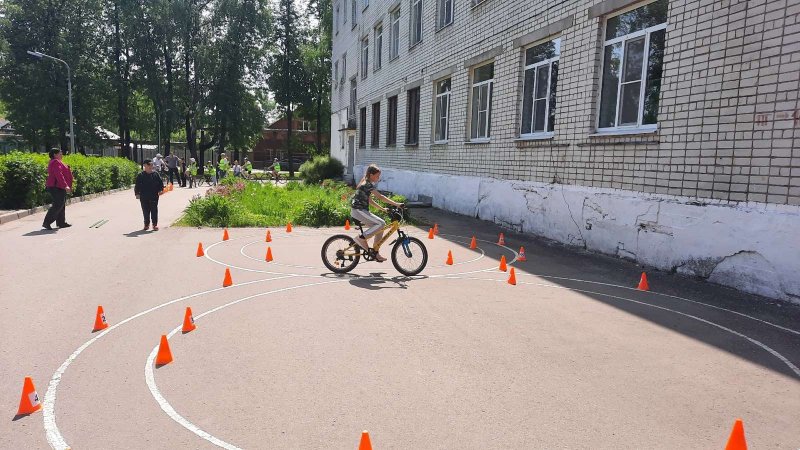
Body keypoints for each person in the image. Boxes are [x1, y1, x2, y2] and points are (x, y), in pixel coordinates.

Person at [350, 164, 403, 262]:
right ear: (371, 175)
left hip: (361, 211)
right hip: (358, 210)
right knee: (381, 223)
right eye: (377, 176)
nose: (378, 178)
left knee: (380, 225)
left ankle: (375, 252)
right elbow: (380, 197)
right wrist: (396, 204)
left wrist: (382, 209)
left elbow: (370, 201)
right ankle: (361, 238)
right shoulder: (367, 184)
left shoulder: (366, 183)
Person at [42, 148, 73, 230]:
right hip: (56, 186)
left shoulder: (55, 162)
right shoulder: (55, 162)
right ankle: (47, 222)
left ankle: (61, 222)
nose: (61, 155)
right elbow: (58, 175)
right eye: (60, 153)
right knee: (58, 204)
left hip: (58, 186)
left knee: (61, 204)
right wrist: (65, 185)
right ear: (55, 154)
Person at [134, 159, 165, 231]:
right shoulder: (141, 175)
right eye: (149, 165)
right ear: (145, 165)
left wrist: (161, 190)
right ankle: (146, 224)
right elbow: (137, 185)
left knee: (154, 210)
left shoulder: (155, 174)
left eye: (152, 164)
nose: (151, 166)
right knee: (145, 211)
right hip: (143, 196)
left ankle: (154, 225)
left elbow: (160, 183)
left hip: (154, 195)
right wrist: (137, 193)